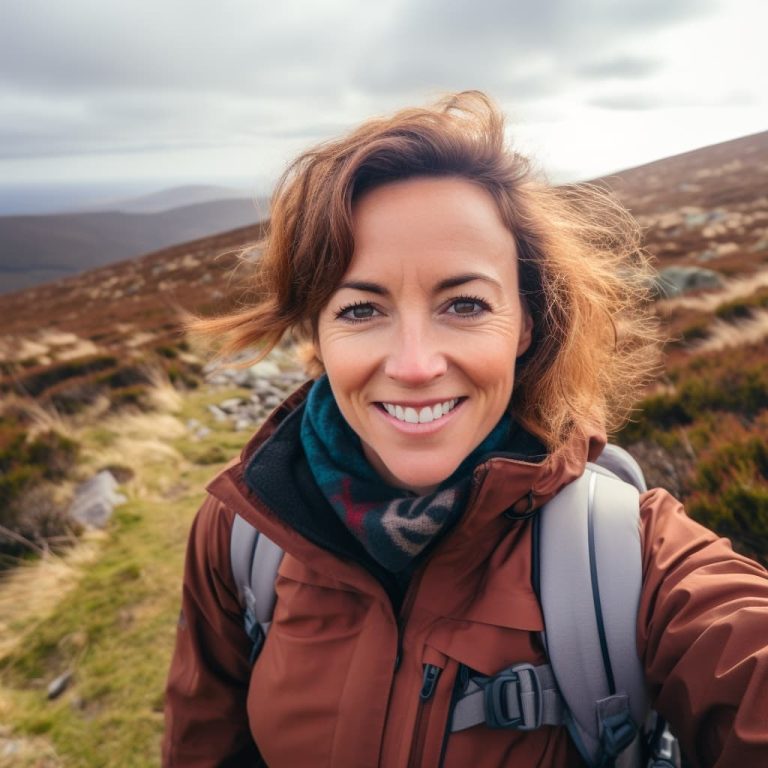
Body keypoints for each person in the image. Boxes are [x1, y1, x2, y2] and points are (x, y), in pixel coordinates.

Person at [162, 92, 768, 767]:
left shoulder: (631, 557)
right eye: (362, 310)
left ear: (527, 323)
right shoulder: (243, 532)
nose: (416, 365)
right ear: (317, 335)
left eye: (465, 304)